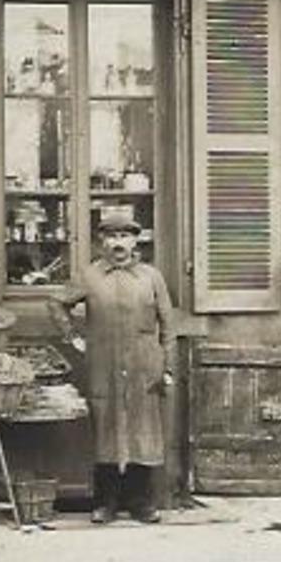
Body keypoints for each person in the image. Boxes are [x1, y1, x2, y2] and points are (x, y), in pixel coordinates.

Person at [48, 215, 176, 524]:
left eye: (124, 236)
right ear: (102, 242)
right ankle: (105, 502)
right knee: (105, 428)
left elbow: (169, 326)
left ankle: (141, 502)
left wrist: (168, 366)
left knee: (143, 430)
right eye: (111, 236)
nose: (117, 243)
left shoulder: (151, 277)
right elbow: (55, 303)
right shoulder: (89, 276)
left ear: (135, 241)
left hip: (144, 366)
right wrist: (73, 337)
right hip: (103, 364)